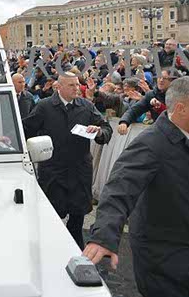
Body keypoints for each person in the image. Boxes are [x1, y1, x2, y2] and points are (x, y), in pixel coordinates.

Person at [84, 77, 189, 297]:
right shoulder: (150, 143)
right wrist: (104, 237)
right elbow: (119, 189)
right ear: (181, 108)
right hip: (164, 259)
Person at [23, 72, 112, 249]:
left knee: (77, 217)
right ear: (59, 87)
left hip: (79, 171)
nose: (76, 88)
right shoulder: (44, 106)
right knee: (52, 216)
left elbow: (106, 128)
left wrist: (99, 132)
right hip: (53, 171)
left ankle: (76, 251)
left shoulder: (86, 106)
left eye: (77, 84)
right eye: (72, 85)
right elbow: (27, 129)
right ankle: (49, 250)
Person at [117, 69, 182, 135]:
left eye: (165, 78)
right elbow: (134, 110)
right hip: (159, 132)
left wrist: (160, 107)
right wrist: (124, 122)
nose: (161, 80)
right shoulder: (151, 95)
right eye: (159, 77)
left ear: (173, 81)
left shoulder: (181, 97)